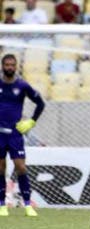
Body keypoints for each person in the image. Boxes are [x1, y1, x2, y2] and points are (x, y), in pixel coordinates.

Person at [0, 54, 45, 217]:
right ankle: (2, 205)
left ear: (16, 66)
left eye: (12, 65)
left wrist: (31, 122)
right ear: (2, 66)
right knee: (1, 168)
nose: (10, 67)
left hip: (14, 134)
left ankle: (27, 205)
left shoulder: (22, 85)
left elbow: (40, 103)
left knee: (21, 167)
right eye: (7, 65)